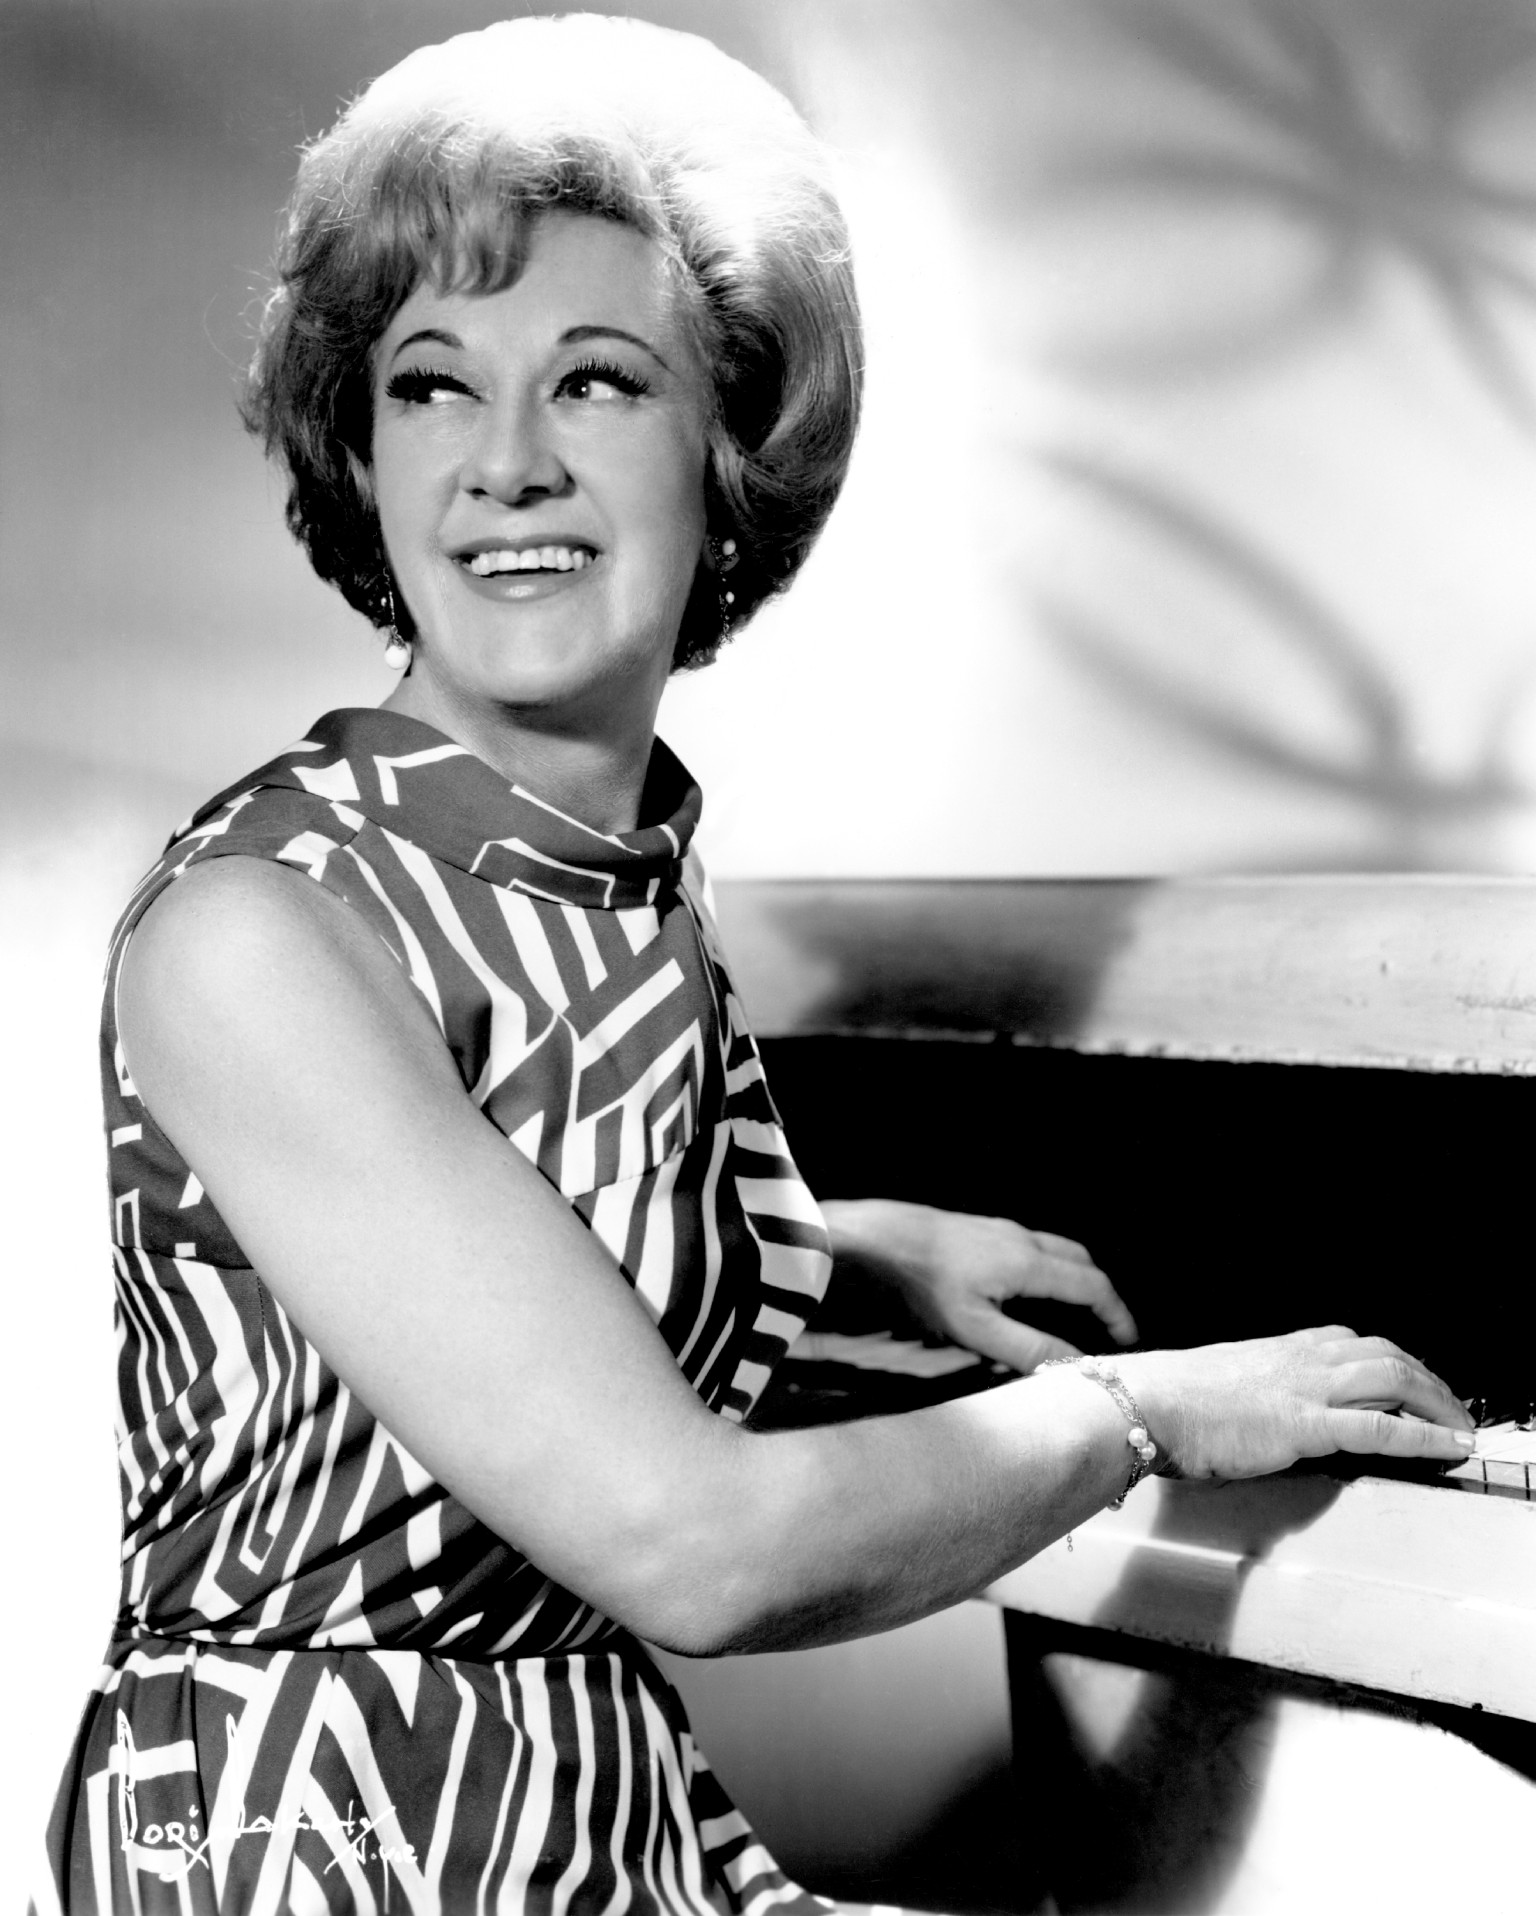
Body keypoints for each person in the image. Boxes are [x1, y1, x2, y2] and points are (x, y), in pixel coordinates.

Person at [34, 16, 1476, 1914]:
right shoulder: (263, 928)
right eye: (434, 387)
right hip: (324, 1838)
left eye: (598, 381)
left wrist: (837, 1250)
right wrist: (1144, 1414)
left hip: (585, 1811)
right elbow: (697, 1548)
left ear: (728, 448)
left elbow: (494, 1256)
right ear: (359, 452)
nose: (507, 467)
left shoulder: (605, 872)